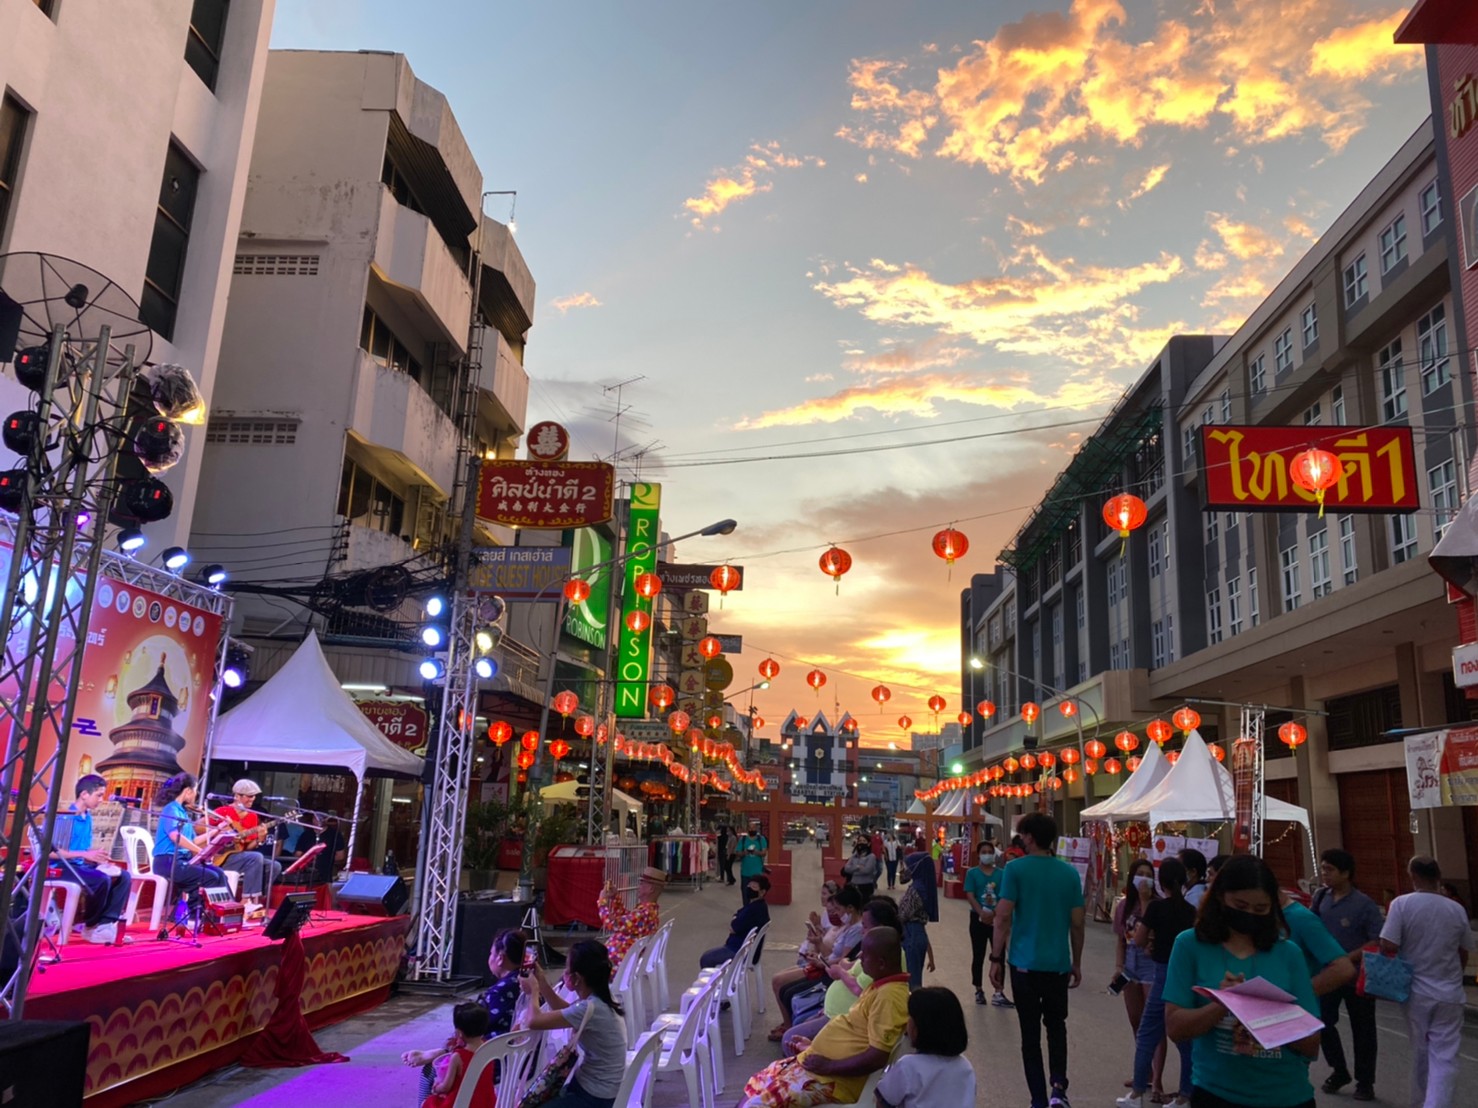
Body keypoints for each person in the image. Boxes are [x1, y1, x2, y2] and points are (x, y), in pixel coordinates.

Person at [1163, 855, 1322, 1108]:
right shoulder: (1190, 945)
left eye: (1261, 909)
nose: (1250, 915)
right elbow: (1175, 1027)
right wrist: (1223, 1003)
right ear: (1220, 898)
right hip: (1217, 1094)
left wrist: (1267, 1010)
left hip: (1287, 1096)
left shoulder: (1288, 953)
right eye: (1240, 905)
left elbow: (1311, 1045)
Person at [740, 927, 910, 1107]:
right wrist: (815, 1048)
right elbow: (857, 1035)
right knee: (758, 1085)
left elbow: (877, 1057)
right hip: (823, 1072)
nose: (859, 957)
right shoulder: (882, 986)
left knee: (756, 1104)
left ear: (881, 963)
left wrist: (828, 1065)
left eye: (865, 954)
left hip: (832, 1082)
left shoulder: (889, 998)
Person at [989, 811, 1085, 1108]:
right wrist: (1076, 962)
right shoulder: (1068, 873)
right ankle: (1059, 1087)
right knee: (1057, 1027)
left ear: (1029, 837)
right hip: (1057, 965)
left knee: (1030, 1035)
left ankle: (1039, 1100)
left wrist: (995, 958)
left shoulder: (1015, 870)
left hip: (1024, 966)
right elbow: (1078, 923)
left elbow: (1002, 916)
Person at [1380, 855, 1474, 1108]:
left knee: (1421, 1051)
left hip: (1415, 991)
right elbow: (1465, 948)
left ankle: (1422, 1101)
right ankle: (1433, 1103)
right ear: (1438, 876)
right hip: (1450, 992)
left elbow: (1389, 943)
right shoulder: (1455, 908)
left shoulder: (1401, 904)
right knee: (1444, 1055)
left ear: (1413, 876)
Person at [403, 928, 528, 1101]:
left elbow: (470, 1028)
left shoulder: (499, 992)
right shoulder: (527, 982)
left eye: (491, 953)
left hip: (492, 1060)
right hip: (516, 1056)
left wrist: (438, 1053)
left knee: (431, 1069)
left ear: (500, 958)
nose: (489, 957)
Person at [1118, 857, 1195, 1108]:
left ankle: (1138, 1093)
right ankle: (1185, 1095)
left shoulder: (1156, 909)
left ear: (1161, 882)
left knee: (1147, 1032)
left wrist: (1152, 942)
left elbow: (1138, 940)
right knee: (1184, 1039)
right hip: (1184, 976)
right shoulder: (1191, 911)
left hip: (1161, 972)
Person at [783, 897, 902, 1055]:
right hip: (840, 1016)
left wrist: (820, 1060)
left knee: (790, 1037)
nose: (861, 931)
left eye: (865, 927)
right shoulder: (878, 970)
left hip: (843, 1020)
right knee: (796, 1026)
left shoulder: (887, 991)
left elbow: (874, 1054)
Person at [1310, 848, 1384, 1100]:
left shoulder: (1364, 904)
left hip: (1357, 978)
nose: (1324, 874)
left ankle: (1365, 1081)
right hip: (1327, 976)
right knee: (1322, 1023)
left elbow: (1377, 940)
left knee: (1363, 1029)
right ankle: (1339, 1069)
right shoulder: (1321, 898)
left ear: (1346, 873)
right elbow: (1310, 928)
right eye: (1323, 869)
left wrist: (1348, 958)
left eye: (1329, 870)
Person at [519, 940, 628, 1108]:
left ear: (577, 978)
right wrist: (541, 982)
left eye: (567, 970)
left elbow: (533, 1021)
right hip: (596, 1088)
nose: (564, 974)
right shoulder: (600, 998)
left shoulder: (590, 1008)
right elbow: (566, 1011)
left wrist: (534, 990)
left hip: (593, 1097)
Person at [770, 885, 864, 1041]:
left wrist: (822, 961)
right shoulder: (846, 926)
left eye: (838, 909)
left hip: (827, 971)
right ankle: (790, 1025)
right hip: (825, 965)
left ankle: (790, 1027)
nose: (836, 914)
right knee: (781, 984)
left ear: (850, 908)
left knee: (785, 988)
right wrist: (819, 951)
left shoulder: (856, 929)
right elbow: (834, 953)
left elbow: (843, 960)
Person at [53, 773, 132, 944]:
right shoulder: (67, 816)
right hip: (62, 866)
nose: (101, 799)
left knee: (123, 876)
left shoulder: (87, 817)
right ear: (84, 794)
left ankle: (105, 925)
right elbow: (53, 852)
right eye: (99, 795)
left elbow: (83, 850)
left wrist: (97, 858)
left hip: (80, 865)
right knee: (100, 879)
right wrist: (84, 855)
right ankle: (90, 926)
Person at [874, 985, 975, 1108]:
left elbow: (884, 1100)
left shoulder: (909, 1066)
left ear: (920, 1028)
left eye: (910, 1017)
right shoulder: (965, 1066)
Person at [1114, 860, 1163, 1100]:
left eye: (1148, 874)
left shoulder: (1156, 905)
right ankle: (1144, 1071)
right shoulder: (1124, 906)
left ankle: (1158, 1081)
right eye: (1139, 874)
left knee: (1153, 1021)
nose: (1143, 878)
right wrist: (1118, 966)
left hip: (1151, 965)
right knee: (1136, 1021)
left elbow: (1150, 932)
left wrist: (1145, 900)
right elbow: (1121, 939)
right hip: (1130, 966)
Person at [152, 772, 230, 905]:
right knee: (209, 877)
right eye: (195, 790)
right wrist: (200, 851)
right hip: (168, 861)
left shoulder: (182, 812)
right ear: (187, 791)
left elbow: (192, 841)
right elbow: (175, 836)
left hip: (182, 860)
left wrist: (216, 831)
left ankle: (225, 913)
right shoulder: (171, 809)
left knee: (219, 874)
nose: (196, 794)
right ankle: (195, 915)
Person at [214, 779, 284, 910]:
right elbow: (198, 827)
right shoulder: (223, 811)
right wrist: (219, 829)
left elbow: (247, 847)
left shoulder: (252, 816)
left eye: (254, 796)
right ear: (237, 796)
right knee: (256, 857)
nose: (253, 799)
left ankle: (255, 899)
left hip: (240, 857)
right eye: (249, 796)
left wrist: (260, 838)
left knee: (275, 866)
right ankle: (246, 901)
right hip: (221, 857)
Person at [418, 1001, 493, 1108]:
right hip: (486, 1103)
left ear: (459, 1033)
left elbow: (446, 1087)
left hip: (462, 1103)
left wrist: (436, 1088)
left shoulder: (458, 1056)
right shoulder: (489, 1047)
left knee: (430, 1101)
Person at [965, 839, 1012, 1007]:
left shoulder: (1001, 874)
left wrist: (994, 913)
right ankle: (978, 989)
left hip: (997, 918)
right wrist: (981, 912)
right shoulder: (972, 873)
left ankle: (999, 992)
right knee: (978, 954)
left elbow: (1005, 895)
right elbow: (970, 894)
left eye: (989, 852)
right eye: (983, 852)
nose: (987, 855)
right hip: (977, 918)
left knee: (998, 955)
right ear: (979, 855)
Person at [596, 867, 665, 969]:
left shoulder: (643, 913)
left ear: (651, 889)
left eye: (642, 884)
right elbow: (626, 920)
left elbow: (612, 923)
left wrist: (602, 901)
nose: (638, 887)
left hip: (616, 965)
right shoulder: (648, 911)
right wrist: (615, 898)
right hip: (620, 960)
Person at [701, 872, 770, 968]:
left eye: (754, 887)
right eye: (749, 885)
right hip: (743, 948)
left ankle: (713, 982)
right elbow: (737, 917)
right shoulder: (759, 906)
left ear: (762, 892)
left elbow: (734, 927)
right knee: (709, 955)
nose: (749, 888)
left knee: (707, 958)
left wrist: (735, 920)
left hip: (739, 951)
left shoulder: (753, 910)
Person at [897, 849, 937, 989]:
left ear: (917, 867)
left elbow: (903, 915)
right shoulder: (922, 887)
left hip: (910, 934)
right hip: (916, 933)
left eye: (908, 866)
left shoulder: (917, 889)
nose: (905, 870)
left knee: (911, 983)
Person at [739, 819, 769, 905]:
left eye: (753, 828)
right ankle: (746, 911)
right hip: (745, 873)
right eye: (750, 828)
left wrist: (756, 852)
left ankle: (756, 911)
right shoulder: (743, 839)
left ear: (756, 829)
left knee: (757, 895)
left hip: (757, 873)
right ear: (747, 829)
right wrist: (744, 852)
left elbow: (764, 853)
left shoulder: (761, 839)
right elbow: (737, 852)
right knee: (745, 894)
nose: (752, 830)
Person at [310, 817, 347, 884]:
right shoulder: (306, 834)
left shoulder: (335, 835)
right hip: (308, 872)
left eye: (319, 818)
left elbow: (341, 856)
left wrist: (323, 858)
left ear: (326, 819)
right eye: (314, 818)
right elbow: (298, 854)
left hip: (328, 873)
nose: (317, 821)